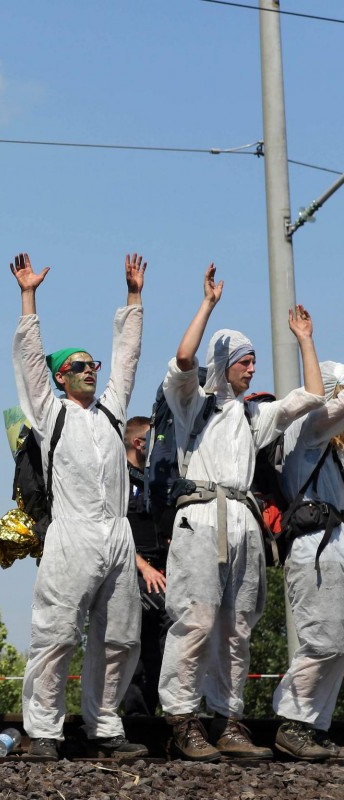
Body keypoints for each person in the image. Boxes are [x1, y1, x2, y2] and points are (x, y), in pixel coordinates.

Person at [159, 264, 323, 761]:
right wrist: (208, 304)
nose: (252, 369)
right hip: (202, 517)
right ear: (225, 363)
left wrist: (304, 340)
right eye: (244, 361)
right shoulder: (195, 404)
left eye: (254, 361)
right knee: (197, 619)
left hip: (244, 523)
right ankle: (182, 719)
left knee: (238, 625)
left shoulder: (255, 415)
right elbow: (185, 356)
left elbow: (312, 396)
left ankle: (230, 721)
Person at [11, 252, 148, 761]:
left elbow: (128, 359)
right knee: (56, 635)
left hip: (117, 536)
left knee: (118, 637)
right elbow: (29, 364)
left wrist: (133, 298)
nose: (91, 371)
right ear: (61, 378)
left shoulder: (111, 414)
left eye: (93, 365)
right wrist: (29, 297)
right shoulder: (51, 416)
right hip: (71, 537)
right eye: (80, 367)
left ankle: (105, 727)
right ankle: (44, 730)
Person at [271, 362, 344, 761]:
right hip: (315, 543)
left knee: (340, 644)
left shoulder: (331, 447)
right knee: (324, 639)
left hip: (333, 540)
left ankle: (314, 725)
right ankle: (291, 723)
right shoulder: (309, 430)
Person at [121, 416, 170, 718]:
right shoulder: (119, 481)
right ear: (139, 443)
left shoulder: (158, 482)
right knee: (136, 651)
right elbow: (115, 532)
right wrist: (143, 567)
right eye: (156, 441)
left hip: (163, 571)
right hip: (134, 571)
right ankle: (137, 720)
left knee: (161, 649)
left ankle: (162, 716)